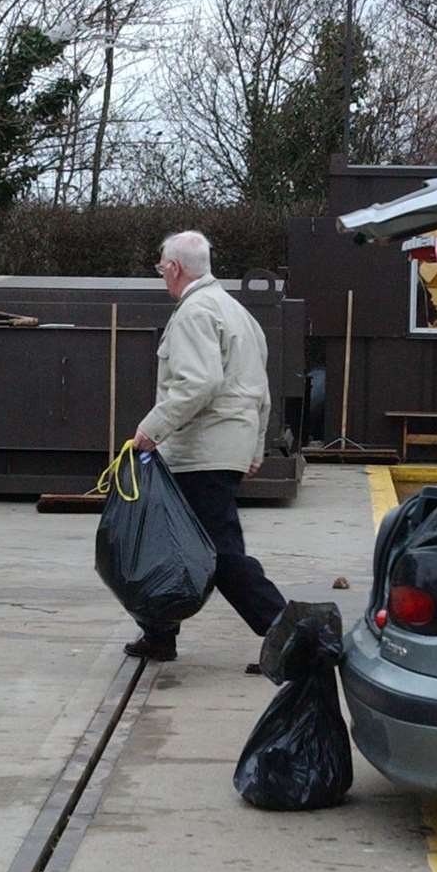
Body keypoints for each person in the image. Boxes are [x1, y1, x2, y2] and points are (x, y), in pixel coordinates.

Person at [127, 230, 286, 663]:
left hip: (200, 452)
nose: (163, 277)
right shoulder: (237, 313)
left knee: (218, 554)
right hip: (224, 447)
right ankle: (159, 633)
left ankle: (290, 631)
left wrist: (152, 428)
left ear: (175, 268)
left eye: (162, 269)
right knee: (170, 545)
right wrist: (253, 448)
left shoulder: (195, 312)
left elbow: (198, 382)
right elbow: (260, 391)